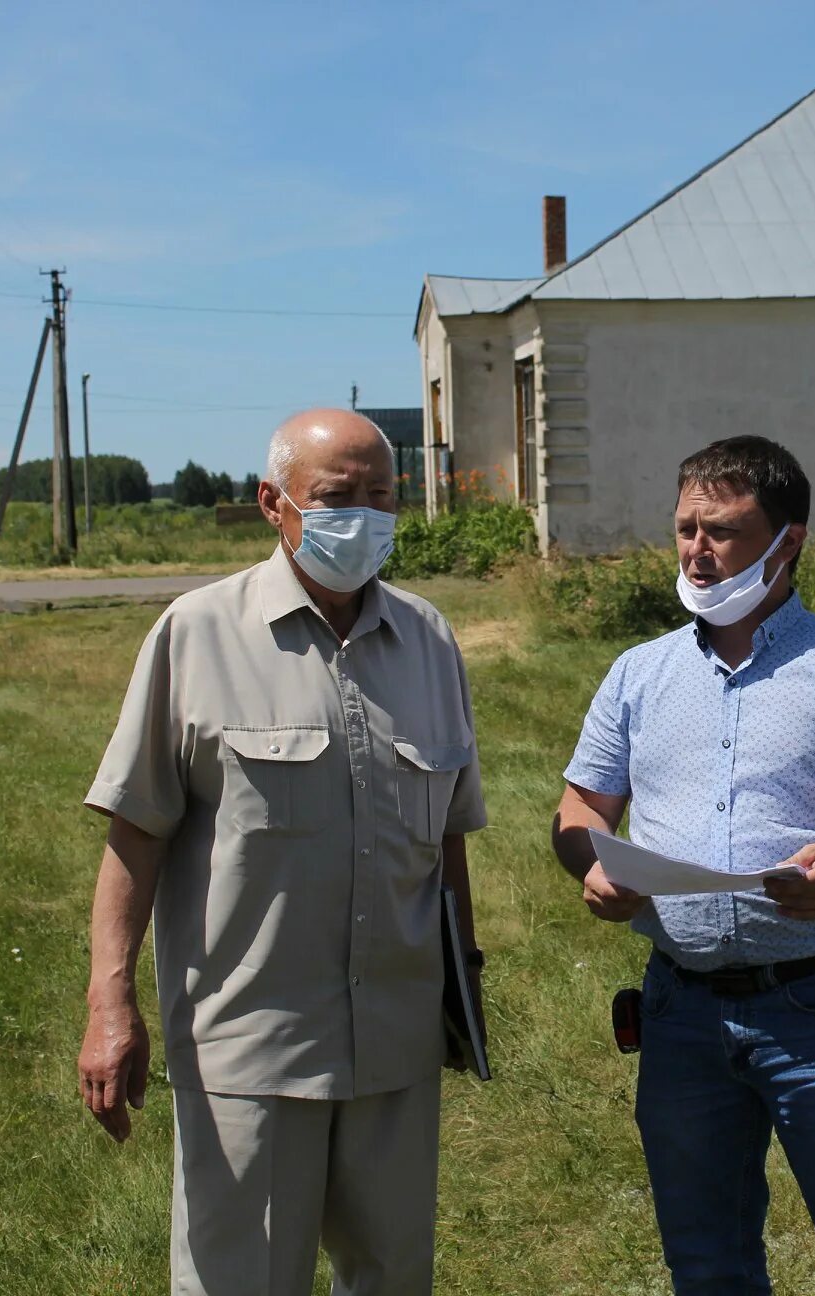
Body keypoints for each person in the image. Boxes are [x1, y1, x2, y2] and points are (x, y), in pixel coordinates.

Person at [77, 409, 486, 1296]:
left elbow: (448, 838)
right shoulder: (197, 635)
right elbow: (136, 831)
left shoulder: (429, 641)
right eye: (337, 497)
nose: (365, 517)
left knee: (393, 1278)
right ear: (273, 502)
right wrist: (111, 1003)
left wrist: (462, 988)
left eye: (382, 496)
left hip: (394, 1049)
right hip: (250, 1051)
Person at [551, 435, 815, 1295]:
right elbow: (580, 809)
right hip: (681, 1010)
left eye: (723, 531)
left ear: (789, 540)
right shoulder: (638, 675)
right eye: (686, 528)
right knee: (706, 1265)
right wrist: (590, 863)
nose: (697, 550)